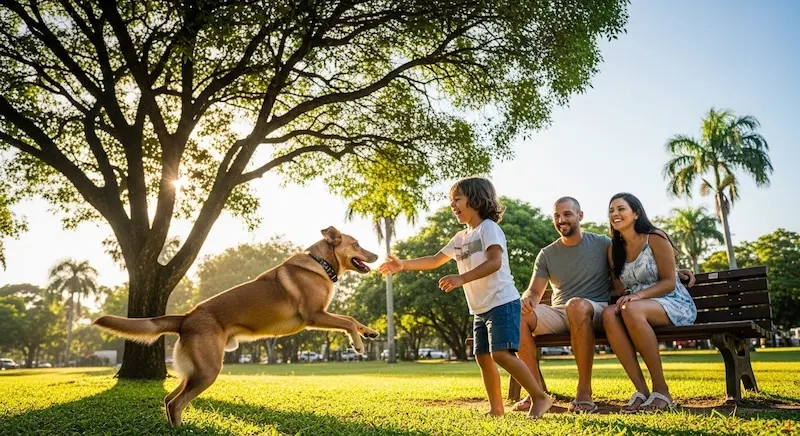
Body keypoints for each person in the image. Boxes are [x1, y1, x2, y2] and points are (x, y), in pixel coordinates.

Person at [378, 177, 552, 418]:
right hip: (480, 308)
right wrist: (403, 265)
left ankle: (540, 397)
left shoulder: (488, 228)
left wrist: (461, 278)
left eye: (457, 199)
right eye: (451, 201)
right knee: (483, 357)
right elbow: (435, 259)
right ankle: (496, 408)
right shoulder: (460, 238)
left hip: (502, 302)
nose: (453, 205)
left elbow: (494, 262)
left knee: (501, 354)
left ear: (476, 199)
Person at [513, 197, 695, 414]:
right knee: (518, 315)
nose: (561, 220)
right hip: (563, 311)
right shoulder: (549, 253)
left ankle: (585, 392)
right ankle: (536, 394)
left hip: (595, 308)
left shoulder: (603, 244)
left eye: (567, 214)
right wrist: (527, 299)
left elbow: (647, 262)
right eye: (557, 216)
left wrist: (676, 272)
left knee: (579, 306)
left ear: (580, 216)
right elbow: (534, 291)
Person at [602, 193, 697, 413]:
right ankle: (641, 391)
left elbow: (669, 282)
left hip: (671, 302)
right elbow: (618, 288)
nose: (615, 214)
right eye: (611, 210)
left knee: (630, 308)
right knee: (608, 314)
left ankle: (662, 391)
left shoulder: (655, 237)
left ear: (636, 213)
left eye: (621, 209)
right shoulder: (614, 249)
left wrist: (638, 296)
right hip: (635, 306)